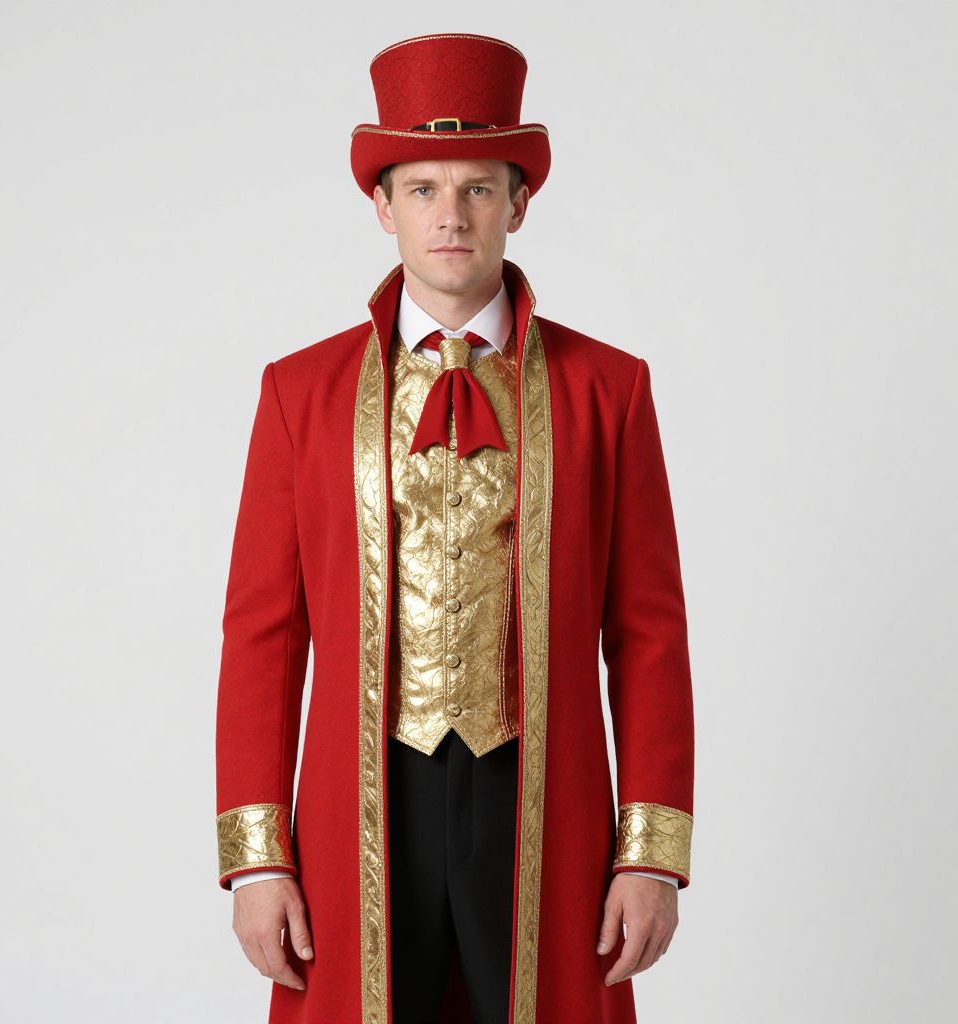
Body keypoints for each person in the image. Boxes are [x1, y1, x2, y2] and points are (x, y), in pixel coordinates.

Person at [214, 31, 695, 1024]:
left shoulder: (609, 391)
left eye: (478, 187)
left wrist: (649, 854)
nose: (450, 214)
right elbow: (264, 632)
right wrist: (258, 857)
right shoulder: (300, 393)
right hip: (362, 802)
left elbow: (648, 632)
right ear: (381, 205)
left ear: (518, 204)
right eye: (424, 188)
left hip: (544, 801)